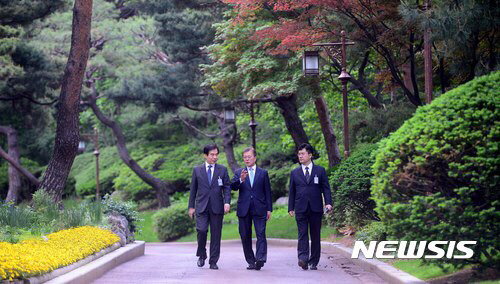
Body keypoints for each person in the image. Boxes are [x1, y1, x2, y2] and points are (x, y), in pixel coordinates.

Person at [288, 143, 332, 270]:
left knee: (315, 235)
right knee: (302, 234)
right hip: (300, 207)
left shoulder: (320, 171)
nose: (300, 156)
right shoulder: (295, 173)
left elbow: (326, 189)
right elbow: (292, 191)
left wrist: (328, 203)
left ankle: (314, 261)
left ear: (310, 155)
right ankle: (303, 259)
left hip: (316, 207)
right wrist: (291, 207)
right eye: (299, 154)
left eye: (302, 153)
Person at [188, 144, 231, 270]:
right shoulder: (197, 170)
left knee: (216, 235)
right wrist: (191, 207)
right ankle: (202, 254)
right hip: (201, 207)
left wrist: (227, 202)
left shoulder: (222, 170)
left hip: (217, 207)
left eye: (216, 154)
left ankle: (213, 261)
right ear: (205, 155)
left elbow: (227, 187)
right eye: (212, 154)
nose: (215, 157)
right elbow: (193, 190)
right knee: (201, 231)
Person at [230, 147, 272, 270]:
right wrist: (241, 180)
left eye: (249, 157)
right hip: (244, 209)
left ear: (254, 157)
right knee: (244, 235)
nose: (247, 159)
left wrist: (269, 209)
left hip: (260, 208)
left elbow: (267, 192)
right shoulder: (239, 172)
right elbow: (232, 187)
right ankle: (251, 261)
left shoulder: (263, 173)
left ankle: (260, 258)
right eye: (245, 157)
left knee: (261, 234)